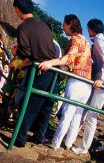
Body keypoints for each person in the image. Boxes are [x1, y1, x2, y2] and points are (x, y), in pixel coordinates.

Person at [38, 14, 92, 150]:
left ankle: (55, 143)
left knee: (67, 114)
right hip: (87, 83)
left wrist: (50, 62)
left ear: (70, 24)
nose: (63, 28)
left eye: (64, 25)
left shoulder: (75, 39)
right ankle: (68, 144)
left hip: (76, 82)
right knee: (77, 115)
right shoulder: (85, 41)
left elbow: (68, 59)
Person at [11, 0, 57, 147]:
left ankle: (19, 140)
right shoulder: (43, 24)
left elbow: (25, 52)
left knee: (29, 106)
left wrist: (17, 53)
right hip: (54, 70)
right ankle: (39, 136)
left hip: (40, 70)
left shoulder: (23, 27)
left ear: (18, 9)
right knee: (45, 108)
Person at [71, 19, 104, 154]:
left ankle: (84, 148)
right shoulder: (99, 39)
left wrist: (101, 78)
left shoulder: (98, 39)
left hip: (101, 84)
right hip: (100, 81)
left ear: (92, 28)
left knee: (92, 115)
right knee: (89, 112)